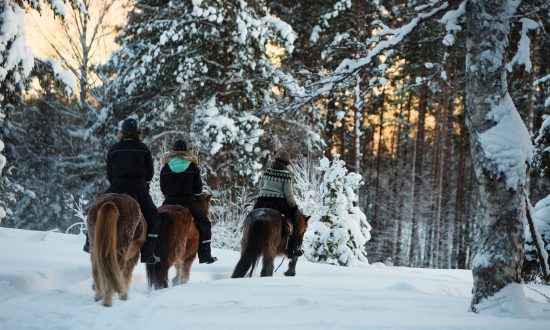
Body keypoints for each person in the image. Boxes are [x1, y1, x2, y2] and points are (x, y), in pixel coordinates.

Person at [83, 118, 160, 265]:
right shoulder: (143, 148)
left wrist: (116, 183)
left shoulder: (114, 148)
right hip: (138, 188)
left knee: (94, 208)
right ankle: (148, 253)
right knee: (154, 218)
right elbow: (150, 173)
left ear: (122, 133)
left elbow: (109, 173)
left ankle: (89, 242)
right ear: (138, 132)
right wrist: (143, 183)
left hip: (116, 186)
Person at [160, 139, 217, 264]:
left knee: (154, 223)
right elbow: (198, 190)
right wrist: (196, 196)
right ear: (187, 151)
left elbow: (163, 189)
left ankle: (151, 251)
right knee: (205, 224)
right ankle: (205, 256)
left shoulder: (166, 167)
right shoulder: (192, 167)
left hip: (169, 202)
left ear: (173, 152)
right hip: (188, 202)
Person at [253, 149, 303, 257]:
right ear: (286, 163)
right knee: (295, 222)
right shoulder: (286, 174)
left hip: (261, 200)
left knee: (251, 218)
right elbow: (288, 194)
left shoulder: (267, 171)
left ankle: (248, 240)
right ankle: (292, 250)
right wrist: (294, 206)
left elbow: (260, 186)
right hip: (279, 201)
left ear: (275, 160)